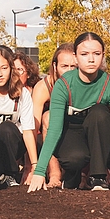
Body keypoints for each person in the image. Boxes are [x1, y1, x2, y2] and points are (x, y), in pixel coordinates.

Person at [28, 33, 110, 192]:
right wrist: (40, 171)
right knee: (75, 159)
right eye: (84, 54)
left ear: (103, 55)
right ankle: (72, 175)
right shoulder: (63, 84)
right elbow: (54, 129)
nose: (91, 59)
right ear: (75, 57)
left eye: (96, 54)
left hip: (100, 135)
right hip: (72, 134)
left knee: (100, 113)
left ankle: (98, 177)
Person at [0, 45, 37, 188]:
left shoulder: (22, 93)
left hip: (13, 143)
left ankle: (11, 173)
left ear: (11, 69)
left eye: (4, 68)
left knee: (5, 127)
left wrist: (35, 167)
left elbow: (28, 131)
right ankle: (1, 176)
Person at [31, 43, 76, 187]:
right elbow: (33, 127)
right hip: (48, 135)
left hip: (76, 132)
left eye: (73, 67)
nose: (69, 71)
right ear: (55, 67)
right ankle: (54, 173)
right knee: (48, 117)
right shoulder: (43, 87)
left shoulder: (85, 84)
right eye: (64, 66)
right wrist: (31, 167)